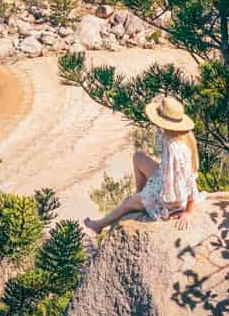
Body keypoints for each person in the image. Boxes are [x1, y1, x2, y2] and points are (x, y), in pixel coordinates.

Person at [84, 96, 206, 233]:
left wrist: (188, 211)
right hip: (164, 179)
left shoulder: (175, 149)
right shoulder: (180, 134)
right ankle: (140, 196)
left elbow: (189, 182)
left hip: (170, 200)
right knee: (138, 157)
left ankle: (99, 225)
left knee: (127, 202)